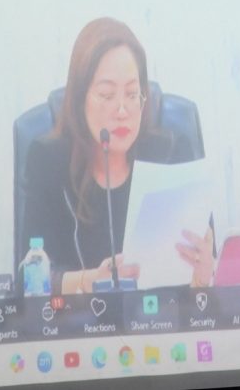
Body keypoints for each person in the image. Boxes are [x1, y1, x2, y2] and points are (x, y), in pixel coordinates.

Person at [21, 18, 212, 294]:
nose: (122, 110)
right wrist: (91, 280)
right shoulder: (47, 160)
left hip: (161, 317)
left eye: (132, 94)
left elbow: (204, 272)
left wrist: (205, 274)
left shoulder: (172, 153)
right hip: (79, 319)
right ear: (80, 99)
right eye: (107, 95)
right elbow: (29, 277)